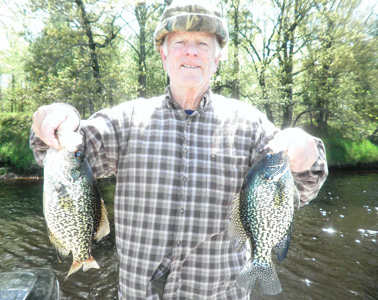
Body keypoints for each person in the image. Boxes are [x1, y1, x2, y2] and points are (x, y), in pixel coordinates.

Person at [30, 1, 328, 299]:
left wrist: (306, 152)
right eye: (180, 42)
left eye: (202, 43)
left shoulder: (250, 124)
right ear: (164, 54)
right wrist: (54, 120)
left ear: (217, 57)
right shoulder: (126, 120)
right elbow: (61, 155)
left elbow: (302, 189)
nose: (191, 51)